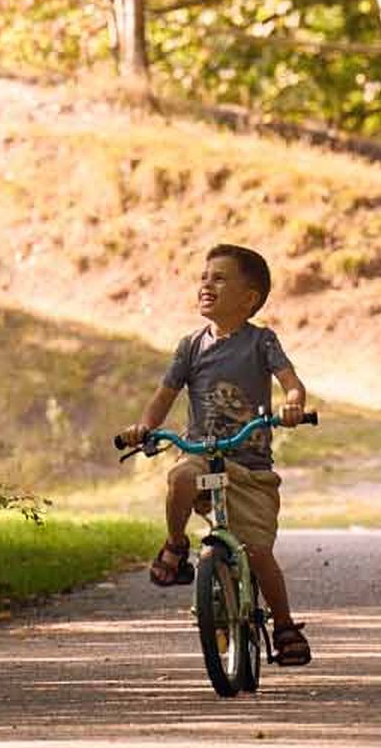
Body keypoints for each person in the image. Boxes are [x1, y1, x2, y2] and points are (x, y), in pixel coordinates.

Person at [127, 243, 318, 666]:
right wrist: (144, 427)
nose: (206, 284)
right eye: (203, 276)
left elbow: (292, 383)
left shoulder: (261, 342)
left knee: (257, 551)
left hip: (249, 469)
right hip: (204, 456)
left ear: (249, 299)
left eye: (219, 278)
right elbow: (163, 397)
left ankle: (284, 625)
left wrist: (292, 404)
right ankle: (176, 546)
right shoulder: (190, 347)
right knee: (178, 478)